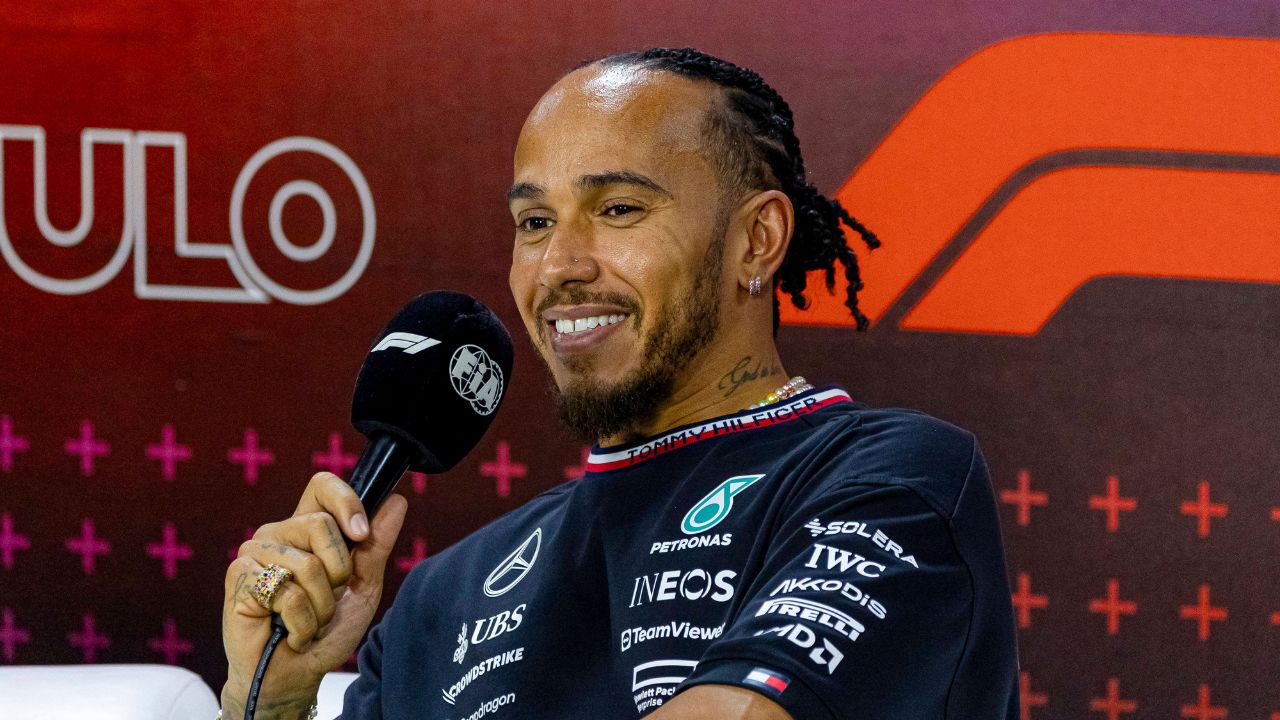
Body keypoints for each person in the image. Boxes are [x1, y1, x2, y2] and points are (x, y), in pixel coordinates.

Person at [221, 48, 1019, 720]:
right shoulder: (439, 599)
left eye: (620, 209)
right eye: (535, 223)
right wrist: (273, 702)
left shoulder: (892, 482)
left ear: (757, 238)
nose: (559, 266)